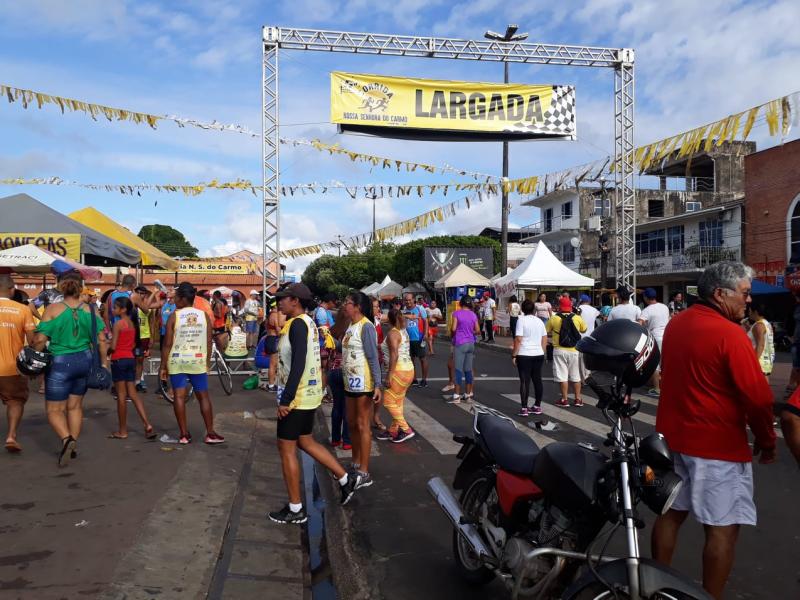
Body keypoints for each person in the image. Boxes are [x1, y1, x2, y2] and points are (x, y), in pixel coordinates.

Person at [652, 261, 776, 600]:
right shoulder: (730, 334)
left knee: (670, 515)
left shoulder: (677, 324)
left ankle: (653, 587)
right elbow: (759, 398)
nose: (747, 301)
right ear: (720, 294)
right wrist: (767, 441)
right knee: (722, 529)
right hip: (716, 446)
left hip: (673, 438)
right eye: (745, 294)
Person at [268, 283, 360, 524]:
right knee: (306, 441)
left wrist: (285, 399)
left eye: (283, 298)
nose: (279, 302)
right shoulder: (305, 322)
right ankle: (344, 478)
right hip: (308, 395)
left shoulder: (298, 324)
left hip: (296, 398)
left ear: (295, 301)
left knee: (285, 448)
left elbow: (297, 363)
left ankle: (296, 508)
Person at [33, 271, 110, 466]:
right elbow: (102, 341)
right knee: (75, 406)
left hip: (60, 362)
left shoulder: (52, 309)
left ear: (61, 286)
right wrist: (103, 364)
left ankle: (67, 440)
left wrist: (34, 356)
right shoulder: (91, 310)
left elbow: (40, 340)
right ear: (80, 287)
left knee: (54, 409)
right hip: (85, 360)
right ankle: (73, 444)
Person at [159, 282, 224, 446]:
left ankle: (183, 435)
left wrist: (163, 366)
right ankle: (210, 433)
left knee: (179, 397)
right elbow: (209, 342)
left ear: (180, 298)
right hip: (197, 360)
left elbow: (167, 344)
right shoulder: (203, 316)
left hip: (177, 360)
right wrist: (207, 362)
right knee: (203, 396)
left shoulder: (174, 316)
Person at [341, 292, 382, 489]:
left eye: (348, 303)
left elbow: (373, 357)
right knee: (351, 423)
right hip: (349, 382)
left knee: (362, 423)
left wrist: (377, 384)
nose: (344, 306)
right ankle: (356, 462)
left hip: (364, 382)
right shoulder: (350, 325)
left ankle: (364, 471)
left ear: (357, 306)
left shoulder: (366, 326)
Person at [107, 296, 156, 440]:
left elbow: (114, 345)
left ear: (123, 310)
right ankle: (147, 424)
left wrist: (107, 351)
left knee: (121, 396)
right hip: (130, 359)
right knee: (133, 393)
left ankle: (122, 431)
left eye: (115, 307)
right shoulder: (132, 324)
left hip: (119, 360)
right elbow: (133, 344)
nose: (113, 309)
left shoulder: (118, 324)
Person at [0, 275, 35, 453]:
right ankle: (11, 436)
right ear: (12, 290)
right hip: (12, 368)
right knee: (15, 401)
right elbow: (33, 341)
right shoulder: (22, 310)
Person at [376, 307, 415, 443]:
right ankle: (393, 430)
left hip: (398, 371)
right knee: (397, 402)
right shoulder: (402, 332)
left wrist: (389, 375)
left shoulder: (393, 333)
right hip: (408, 369)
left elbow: (394, 355)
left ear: (389, 320)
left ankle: (406, 429)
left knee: (388, 402)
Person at [546, 296, 587, 407]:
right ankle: (578, 399)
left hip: (559, 350)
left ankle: (564, 400)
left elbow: (546, 330)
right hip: (574, 350)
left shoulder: (554, 318)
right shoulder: (577, 317)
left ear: (559, 306)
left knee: (562, 376)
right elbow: (584, 329)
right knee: (576, 376)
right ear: (570, 306)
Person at [511, 299, 547, 417]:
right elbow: (544, 339)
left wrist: (514, 355)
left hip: (524, 353)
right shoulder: (540, 321)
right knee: (537, 380)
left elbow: (518, 339)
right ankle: (537, 406)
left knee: (525, 381)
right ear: (534, 309)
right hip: (538, 353)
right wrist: (542, 352)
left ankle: (524, 408)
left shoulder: (521, 320)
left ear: (522, 309)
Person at [638, 288, 670, 397]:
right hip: (667, 336)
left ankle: (657, 389)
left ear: (646, 298)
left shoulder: (647, 310)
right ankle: (666, 386)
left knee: (654, 364)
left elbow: (639, 324)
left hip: (655, 338)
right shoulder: (664, 307)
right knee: (664, 363)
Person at [448, 295, 480, 404]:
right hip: (471, 343)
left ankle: (457, 396)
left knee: (457, 369)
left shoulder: (456, 313)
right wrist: (470, 332)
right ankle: (468, 395)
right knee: (468, 370)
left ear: (461, 303)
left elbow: (453, 328)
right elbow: (478, 330)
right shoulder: (473, 315)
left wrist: (453, 336)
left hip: (460, 343)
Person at [327, 314, 351, 450]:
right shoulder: (350, 332)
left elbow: (326, 354)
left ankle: (335, 439)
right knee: (347, 408)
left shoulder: (332, 331)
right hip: (346, 372)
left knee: (337, 406)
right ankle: (347, 440)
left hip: (333, 371)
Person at [134, 285, 160, 392]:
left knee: (140, 360)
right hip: (133, 336)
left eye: (143, 293)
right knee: (132, 360)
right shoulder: (132, 304)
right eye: (138, 293)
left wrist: (152, 338)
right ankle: (132, 381)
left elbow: (152, 322)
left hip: (144, 336)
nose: (140, 295)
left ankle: (138, 381)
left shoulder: (146, 305)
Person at [402, 292, 428, 387]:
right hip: (408, 340)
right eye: (406, 300)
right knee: (411, 360)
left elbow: (426, 321)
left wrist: (425, 333)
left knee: (422, 359)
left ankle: (424, 380)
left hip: (419, 337)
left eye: (409, 300)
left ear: (413, 300)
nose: (408, 302)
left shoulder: (420, 309)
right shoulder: (404, 310)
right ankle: (414, 379)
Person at [315, 293, 337, 401]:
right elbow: (323, 332)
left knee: (325, 369)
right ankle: (322, 393)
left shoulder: (325, 311)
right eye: (335, 302)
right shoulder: (321, 312)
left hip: (326, 344)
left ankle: (323, 392)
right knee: (324, 370)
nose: (335, 305)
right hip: (323, 345)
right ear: (330, 301)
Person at [745, 303, 774, 379]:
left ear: (756, 312)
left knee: (759, 384)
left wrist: (754, 361)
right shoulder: (766, 323)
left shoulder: (759, 325)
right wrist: (748, 328)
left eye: (750, 311)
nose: (748, 313)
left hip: (759, 360)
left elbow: (760, 344)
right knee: (764, 383)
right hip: (766, 359)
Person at [371, 297, 387, 433]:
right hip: (367, 361)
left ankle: (376, 417)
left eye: (378, 306)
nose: (378, 309)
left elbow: (392, 317)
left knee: (378, 389)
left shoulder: (377, 319)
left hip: (378, 359)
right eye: (375, 307)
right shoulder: (364, 323)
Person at [266, 300, 286, 392]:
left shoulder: (269, 315)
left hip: (269, 339)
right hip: (274, 340)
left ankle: (271, 384)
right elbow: (278, 330)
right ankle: (271, 385)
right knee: (273, 365)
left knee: (272, 364)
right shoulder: (275, 316)